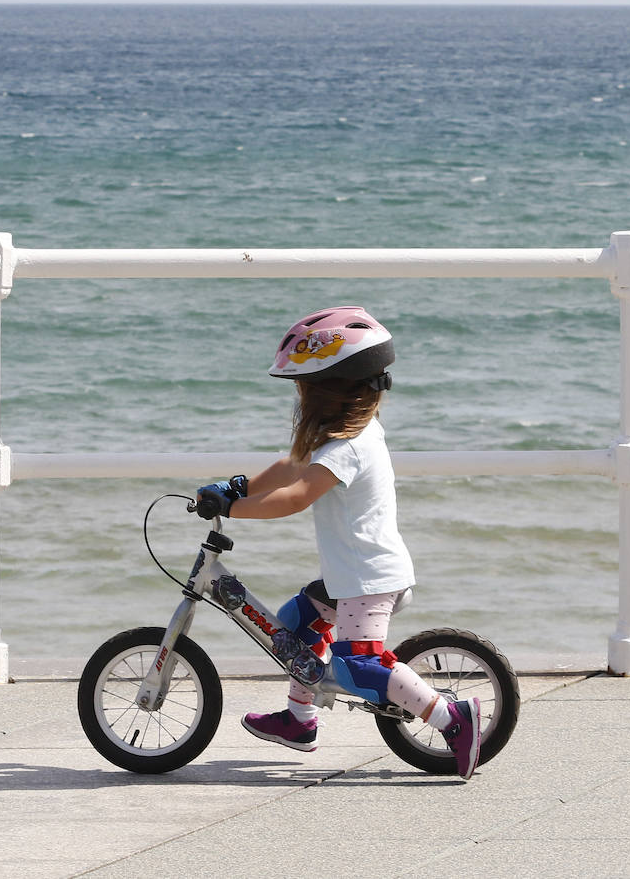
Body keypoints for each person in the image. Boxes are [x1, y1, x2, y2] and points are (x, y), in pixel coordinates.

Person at [194, 306, 482, 780]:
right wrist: (238, 487)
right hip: (350, 577)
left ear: (326, 393)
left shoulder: (347, 448)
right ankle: (298, 720)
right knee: (294, 625)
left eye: (303, 389)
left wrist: (232, 510)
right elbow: (289, 467)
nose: (298, 399)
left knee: (356, 668)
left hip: (370, 580)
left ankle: (451, 718)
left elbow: (295, 496)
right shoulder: (342, 435)